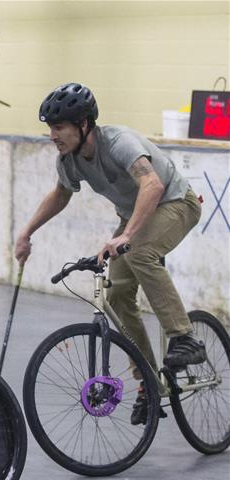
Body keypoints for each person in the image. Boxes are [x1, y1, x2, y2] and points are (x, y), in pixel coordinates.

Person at [15, 82, 205, 425]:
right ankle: (148, 381)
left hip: (176, 203)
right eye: (50, 129)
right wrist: (27, 232)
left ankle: (184, 338)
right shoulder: (70, 160)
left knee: (140, 252)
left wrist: (127, 235)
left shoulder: (118, 142)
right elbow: (60, 195)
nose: (53, 135)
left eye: (59, 127)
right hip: (137, 216)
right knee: (115, 293)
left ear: (83, 124)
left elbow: (153, 185)